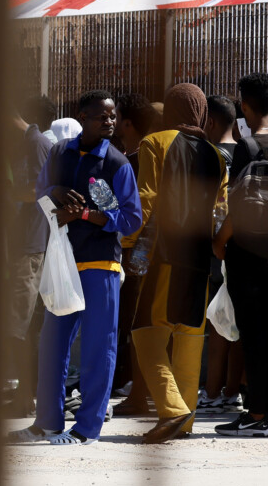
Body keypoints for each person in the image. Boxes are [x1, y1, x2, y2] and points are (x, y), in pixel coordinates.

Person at [12, 90, 142, 446]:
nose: (110, 122)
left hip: (101, 267)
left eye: (113, 116)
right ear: (81, 117)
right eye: (102, 116)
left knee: (99, 350)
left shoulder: (118, 164)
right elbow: (40, 191)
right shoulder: (59, 152)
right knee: (52, 345)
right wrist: (55, 192)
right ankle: (48, 423)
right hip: (64, 264)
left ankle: (87, 429)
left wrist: (85, 214)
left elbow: (131, 220)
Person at [128, 84, 227, 444]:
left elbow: (147, 199)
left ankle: (172, 411)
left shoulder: (155, 143)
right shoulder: (216, 156)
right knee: (189, 339)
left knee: (146, 334)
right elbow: (220, 209)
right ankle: (184, 423)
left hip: (165, 255)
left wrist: (127, 241)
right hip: (200, 260)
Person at [212, 72, 268, 438]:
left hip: (246, 252)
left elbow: (238, 207)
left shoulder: (246, 148)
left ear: (244, 107)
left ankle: (258, 415)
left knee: (253, 335)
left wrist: (220, 240)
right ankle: (262, 412)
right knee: (266, 333)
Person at [110, 92, 160, 416]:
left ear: (127, 122)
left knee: (134, 326)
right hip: (156, 251)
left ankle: (139, 393)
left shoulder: (139, 157)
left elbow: (142, 205)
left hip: (134, 253)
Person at [7, 98, 54, 417]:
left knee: (20, 324)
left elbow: (41, 191)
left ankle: (26, 397)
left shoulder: (37, 144)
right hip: (18, 245)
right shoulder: (23, 144)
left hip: (32, 245)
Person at [198, 94, 245, 414]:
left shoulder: (207, 156)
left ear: (210, 122)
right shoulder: (247, 153)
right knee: (236, 321)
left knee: (216, 320)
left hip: (215, 248)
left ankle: (212, 392)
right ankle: (232, 390)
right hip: (244, 249)